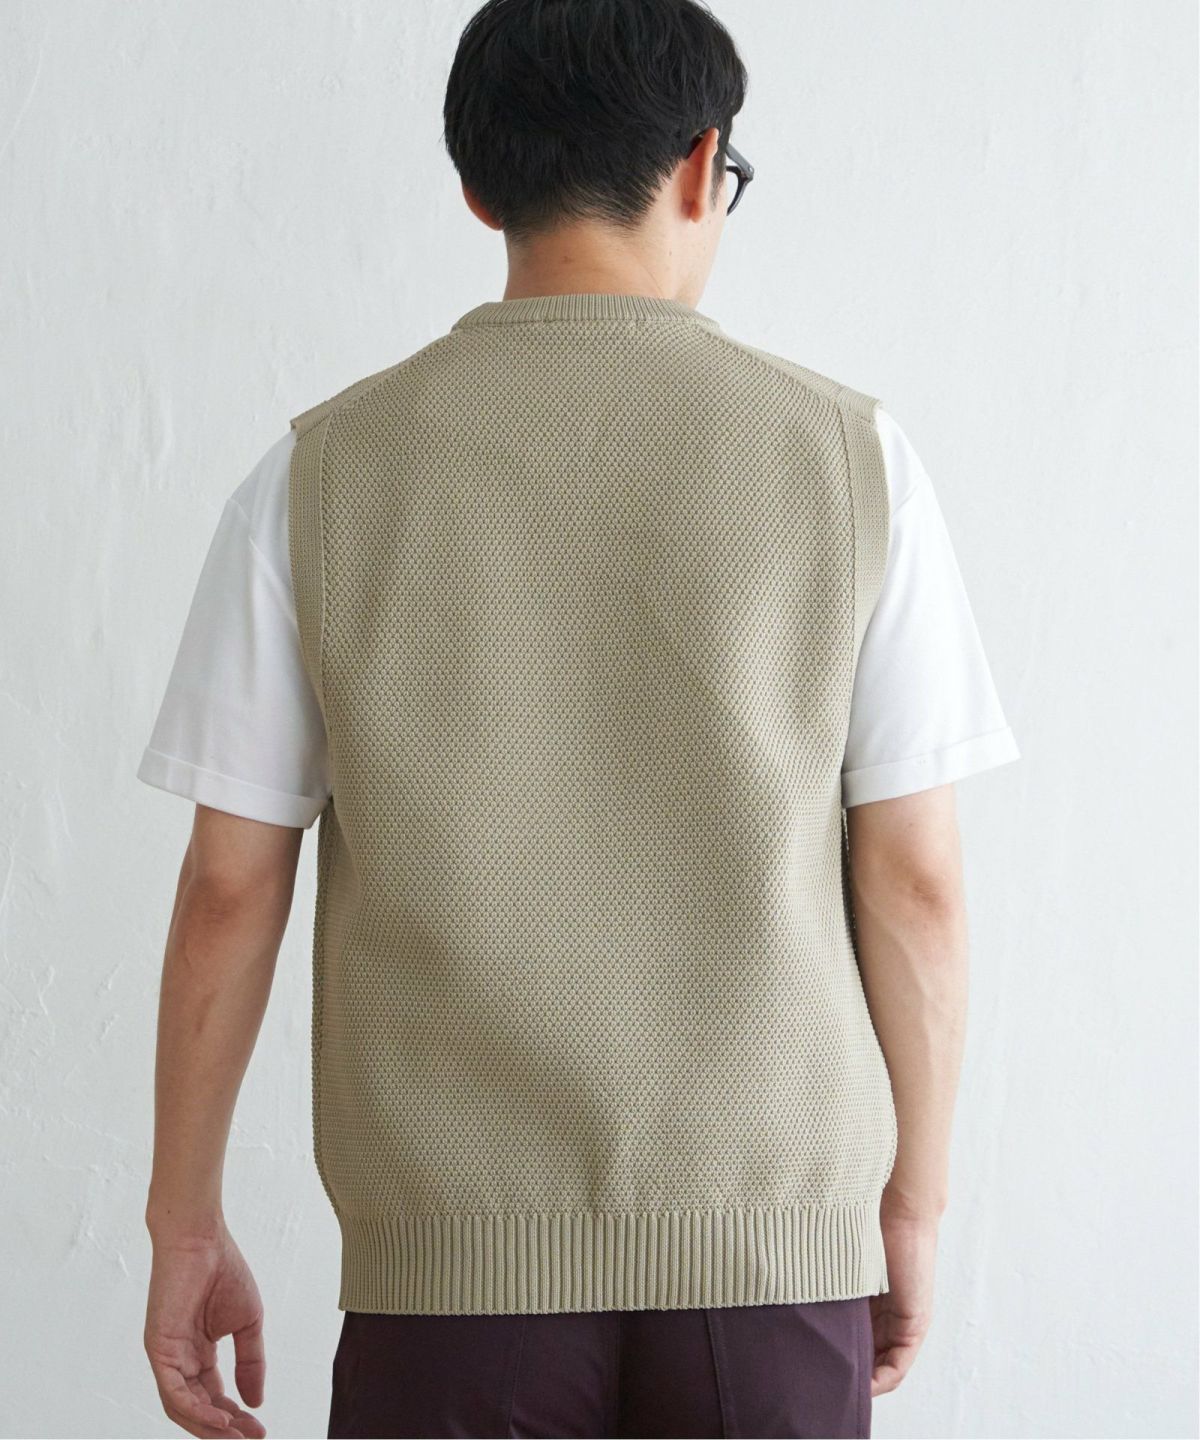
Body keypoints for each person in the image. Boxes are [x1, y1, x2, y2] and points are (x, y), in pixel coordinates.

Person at [136, 1, 1019, 1436]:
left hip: (448, 1281)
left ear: (477, 187)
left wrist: (184, 1219)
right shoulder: (853, 462)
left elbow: (230, 888)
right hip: (771, 1262)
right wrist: (910, 1204)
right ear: (701, 165)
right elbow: (915, 878)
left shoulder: (317, 478)